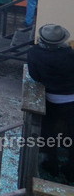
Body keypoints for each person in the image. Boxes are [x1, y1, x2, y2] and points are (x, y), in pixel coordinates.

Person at [26, 24, 74, 180]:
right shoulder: (69, 54)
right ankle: (70, 170)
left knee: (48, 132)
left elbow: (35, 76)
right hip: (72, 99)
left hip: (50, 99)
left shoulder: (34, 53)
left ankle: (51, 165)